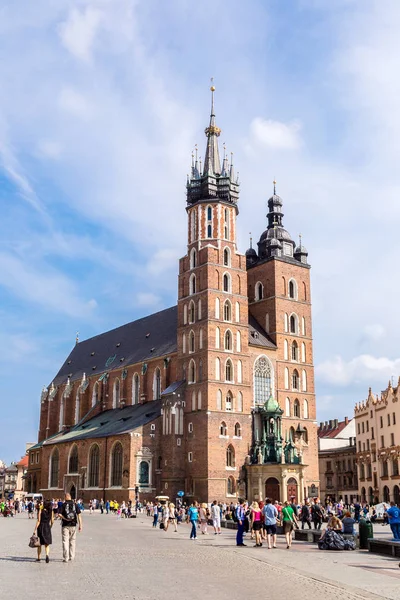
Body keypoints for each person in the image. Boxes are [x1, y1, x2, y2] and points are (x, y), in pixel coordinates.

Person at [59, 493, 82, 563]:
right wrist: (80, 525)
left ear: (65, 497)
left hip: (65, 525)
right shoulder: (75, 504)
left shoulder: (63, 505)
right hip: (73, 525)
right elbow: (79, 515)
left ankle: (66, 557)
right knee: (72, 541)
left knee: (65, 541)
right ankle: (71, 556)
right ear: (70, 497)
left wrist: (65, 518)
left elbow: (59, 514)